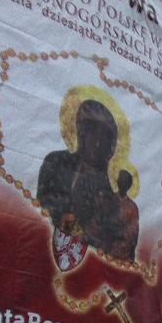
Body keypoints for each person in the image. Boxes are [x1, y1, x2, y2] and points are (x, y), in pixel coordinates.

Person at [38, 99, 139, 260]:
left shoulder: (111, 190)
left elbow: (119, 241)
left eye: (105, 134)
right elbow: (42, 209)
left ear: (112, 145)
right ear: (80, 132)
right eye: (92, 130)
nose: (98, 141)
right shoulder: (58, 162)